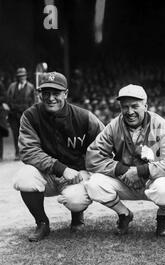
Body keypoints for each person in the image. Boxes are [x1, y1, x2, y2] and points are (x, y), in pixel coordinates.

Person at [13, 72, 105, 242]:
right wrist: (61, 168)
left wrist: (88, 170)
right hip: (46, 174)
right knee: (24, 177)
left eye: (56, 93)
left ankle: (77, 217)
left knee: (75, 200)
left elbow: (105, 144)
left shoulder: (83, 116)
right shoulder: (30, 116)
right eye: (46, 93)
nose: (50, 98)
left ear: (66, 94)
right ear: (40, 94)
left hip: (76, 176)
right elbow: (28, 151)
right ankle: (42, 223)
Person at [85, 84, 165, 236]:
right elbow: (93, 156)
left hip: (152, 181)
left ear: (145, 106)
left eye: (135, 106)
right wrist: (121, 170)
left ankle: (163, 215)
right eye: (125, 107)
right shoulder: (114, 125)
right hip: (125, 180)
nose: (129, 112)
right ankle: (124, 214)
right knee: (93, 184)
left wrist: (140, 171)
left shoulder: (161, 125)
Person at [6, 68, 35, 160]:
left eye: (23, 76)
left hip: (25, 114)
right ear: (17, 77)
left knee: (25, 134)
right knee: (15, 134)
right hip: (13, 114)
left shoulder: (30, 87)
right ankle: (17, 153)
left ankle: (26, 153)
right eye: (20, 76)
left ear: (26, 76)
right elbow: (8, 98)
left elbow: (33, 102)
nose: (21, 77)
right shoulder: (12, 86)